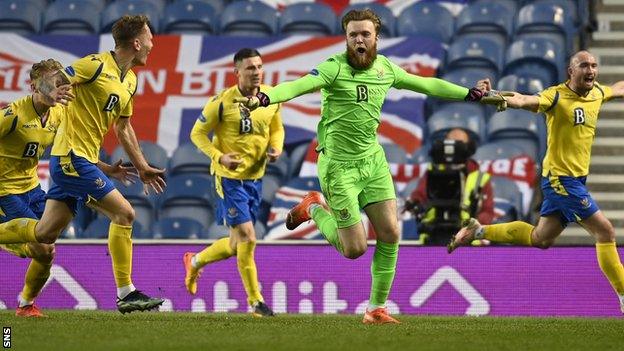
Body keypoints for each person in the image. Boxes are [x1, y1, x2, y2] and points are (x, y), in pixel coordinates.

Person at [235, 9, 489, 324]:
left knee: (391, 232)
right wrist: (265, 97)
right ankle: (313, 207)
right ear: (346, 38)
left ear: (375, 38)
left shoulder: (385, 68)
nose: (359, 39)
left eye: (365, 34)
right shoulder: (333, 68)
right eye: (353, 34)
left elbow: (426, 84)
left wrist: (470, 94)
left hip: (373, 162)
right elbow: (298, 86)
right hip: (339, 168)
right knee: (354, 248)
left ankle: (376, 309)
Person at [0, 15, 167, 314]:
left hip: (83, 160)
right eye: (150, 38)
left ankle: (25, 305)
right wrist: (52, 90)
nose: (153, 45)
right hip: (70, 159)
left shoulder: (130, 80)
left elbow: (123, 128)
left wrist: (141, 166)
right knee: (124, 213)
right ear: (137, 42)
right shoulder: (95, 64)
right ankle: (125, 292)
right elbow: (51, 80)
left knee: (44, 237)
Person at [447, 50, 624, 313]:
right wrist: (493, 95)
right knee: (605, 232)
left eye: (594, 66)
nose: (590, 70)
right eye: (584, 65)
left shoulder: (597, 93)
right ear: (571, 71)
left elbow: (617, 88)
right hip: (560, 179)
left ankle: (479, 231)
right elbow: (523, 99)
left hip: (575, 180)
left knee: (541, 238)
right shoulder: (555, 95)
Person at [1, 59, 138, 317]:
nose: (59, 88)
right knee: (40, 246)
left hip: (32, 188)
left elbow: (73, 148)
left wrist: (106, 169)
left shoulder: (60, 112)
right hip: (4, 192)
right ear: (34, 87)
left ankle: (25, 305)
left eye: (59, 82)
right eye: (51, 84)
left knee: (47, 249)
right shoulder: (13, 115)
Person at [184, 48, 283, 317]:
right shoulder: (221, 102)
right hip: (229, 180)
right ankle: (256, 302)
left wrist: (276, 147)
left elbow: (276, 127)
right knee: (249, 238)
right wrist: (219, 156)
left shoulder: (270, 97)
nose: (256, 72)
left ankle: (194, 261)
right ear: (236, 72)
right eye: (250, 68)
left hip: (255, 178)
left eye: (259, 66)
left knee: (234, 244)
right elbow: (197, 134)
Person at [404, 128, 494, 245]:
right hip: (433, 235)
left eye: (459, 145)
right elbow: (418, 196)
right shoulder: (432, 171)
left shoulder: (480, 177)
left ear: (468, 148)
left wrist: (473, 227)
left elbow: (487, 212)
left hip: (469, 241)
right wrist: (414, 205)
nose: (455, 151)